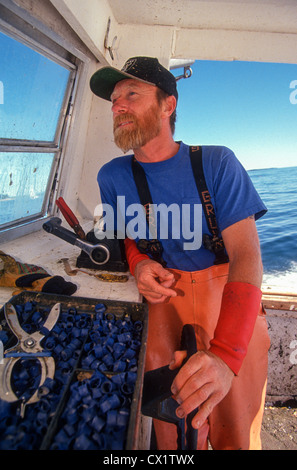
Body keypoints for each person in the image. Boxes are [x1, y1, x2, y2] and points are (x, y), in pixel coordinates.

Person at [90, 57, 270, 450]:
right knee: (167, 424)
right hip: (162, 302)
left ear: (168, 105)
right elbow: (126, 239)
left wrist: (225, 355)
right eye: (115, 99)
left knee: (235, 427)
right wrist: (139, 264)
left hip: (227, 298)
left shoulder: (217, 162)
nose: (117, 105)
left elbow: (246, 255)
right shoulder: (112, 176)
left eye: (131, 94)